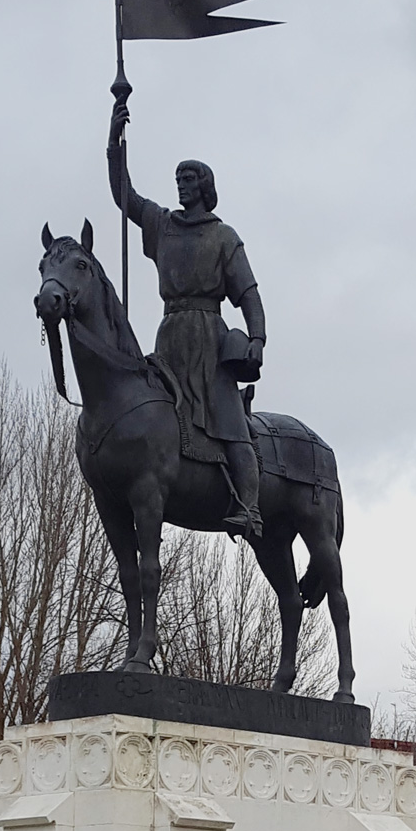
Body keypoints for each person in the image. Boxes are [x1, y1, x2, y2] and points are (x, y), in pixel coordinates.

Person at [108, 101, 265, 538]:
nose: (181, 184)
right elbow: (124, 195)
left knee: (231, 423)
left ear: (204, 185)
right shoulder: (162, 224)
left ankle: (250, 507)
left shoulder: (223, 236)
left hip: (208, 338)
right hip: (170, 334)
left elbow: (248, 292)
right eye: (178, 178)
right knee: (149, 408)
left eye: (189, 179)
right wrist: (113, 144)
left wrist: (257, 336)